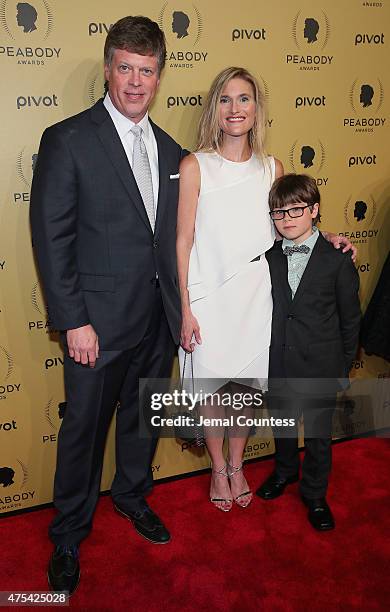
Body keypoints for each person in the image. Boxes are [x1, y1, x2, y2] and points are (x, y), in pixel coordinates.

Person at [30, 16, 185, 595]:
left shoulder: (172, 150)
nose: (136, 82)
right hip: (94, 327)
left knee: (142, 424)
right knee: (84, 434)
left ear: (159, 75)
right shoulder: (68, 139)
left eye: (147, 71)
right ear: (107, 68)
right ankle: (68, 533)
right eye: (126, 68)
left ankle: (131, 497)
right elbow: (52, 238)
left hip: (155, 325)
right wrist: (73, 321)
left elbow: (186, 235)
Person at [176, 67, 355, 513]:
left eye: (244, 99)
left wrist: (327, 237)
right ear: (214, 109)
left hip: (259, 298)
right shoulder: (195, 165)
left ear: (257, 110)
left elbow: (287, 227)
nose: (235, 109)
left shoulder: (271, 167)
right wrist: (184, 307)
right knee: (214, 392)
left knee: (245, 393)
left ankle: (238, 465)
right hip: (207, 298)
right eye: (225, 99)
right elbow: (182, 242)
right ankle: (218, 468)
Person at [256, 174, 361, 531]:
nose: (287, 219)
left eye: (296, 210)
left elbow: (350, 319)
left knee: (318, 435)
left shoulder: (337, 258)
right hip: (280, 360)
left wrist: (343, 366)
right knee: (282, 424)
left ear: (314, 210)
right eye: (279, 213)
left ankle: (315, 493)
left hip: (321, 363)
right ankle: (285, 471)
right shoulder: (266, 257)